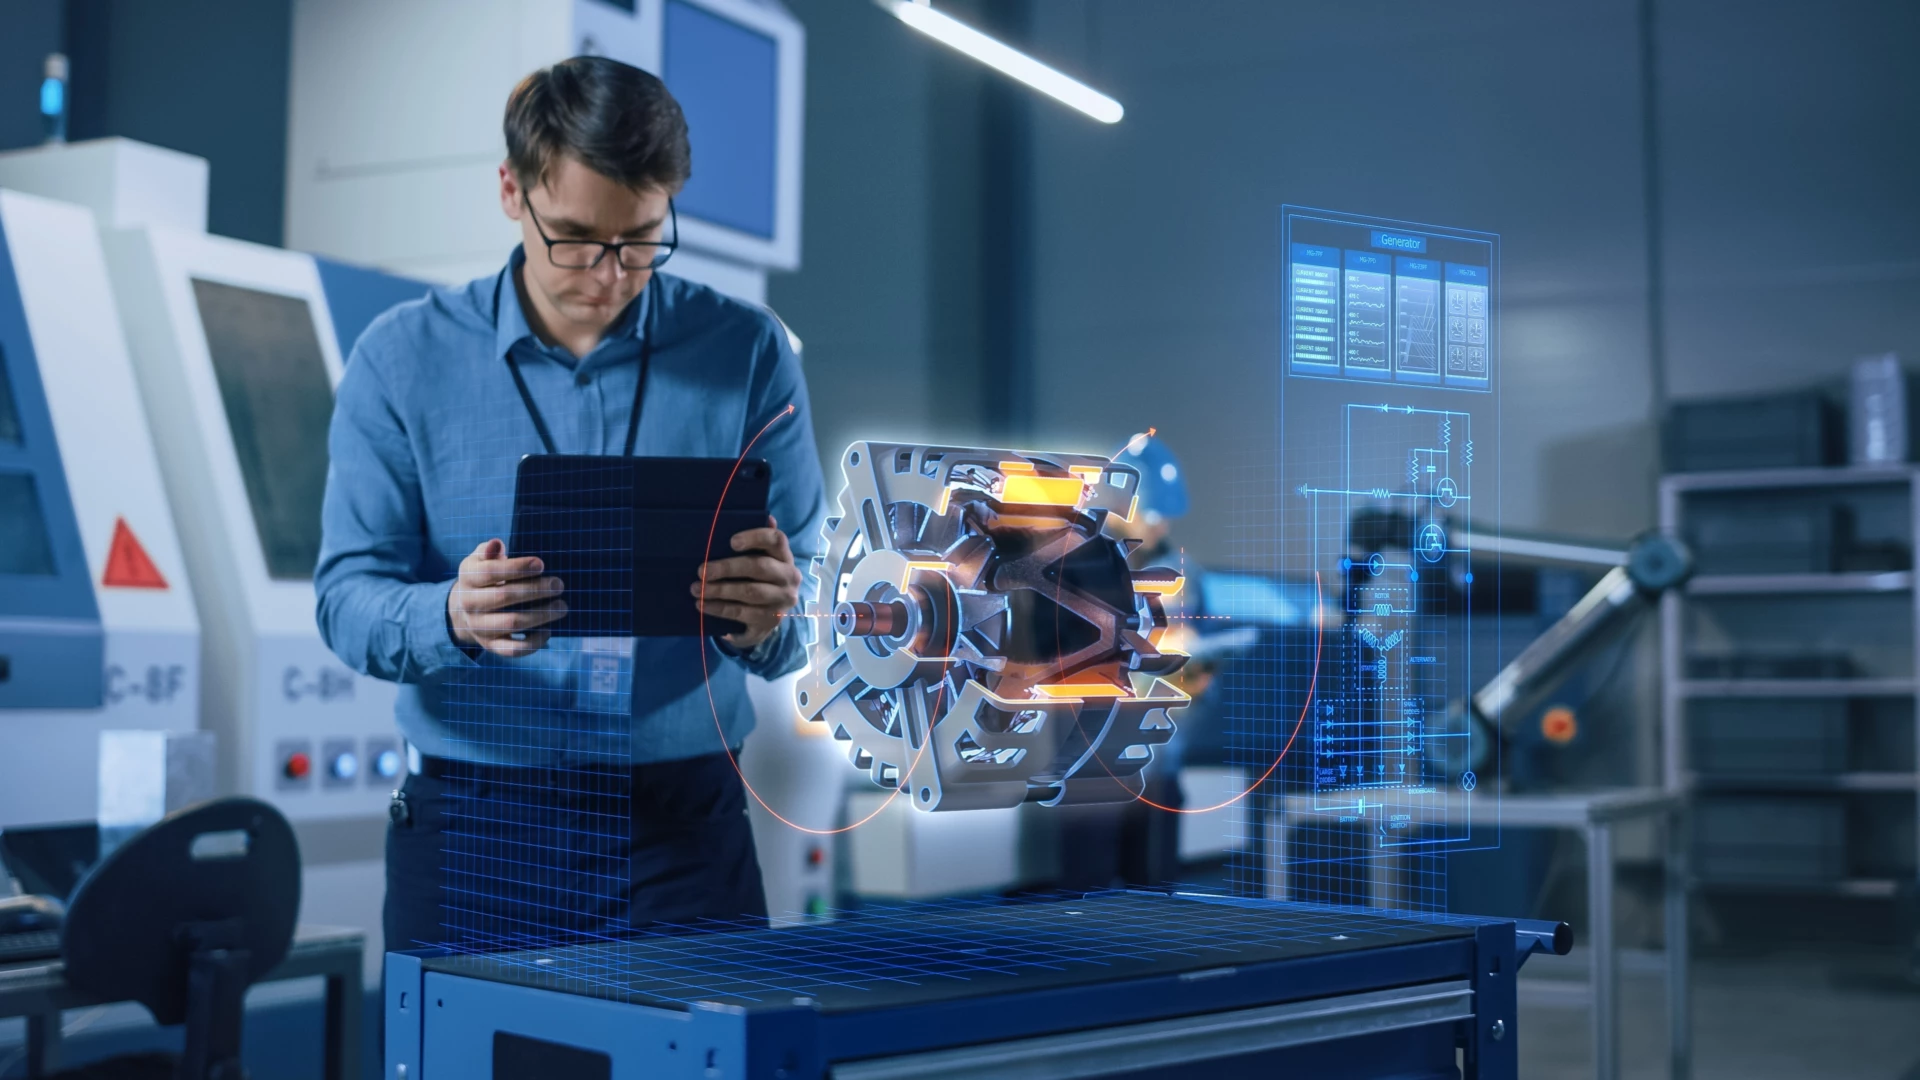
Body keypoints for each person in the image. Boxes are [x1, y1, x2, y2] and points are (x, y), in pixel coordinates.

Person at [314, 57, 825, 951]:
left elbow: (816, 597)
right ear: (512, 192)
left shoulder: (745, 355)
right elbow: (345, 594)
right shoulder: (400, 361)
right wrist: (449, 614)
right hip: (475, 826)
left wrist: (778, 613)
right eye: (577, 238)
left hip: (681, 825)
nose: (611, 273)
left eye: (642, 239)